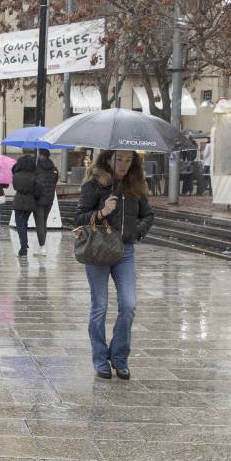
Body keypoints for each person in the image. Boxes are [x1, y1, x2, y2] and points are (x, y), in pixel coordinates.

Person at [73, 149, 154, 380]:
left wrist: (135, 232)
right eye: (119, 159)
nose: (123, 165)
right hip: (98, 249)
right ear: (109, 158)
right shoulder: (94, 184)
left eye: (129, 161)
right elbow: (78, 219)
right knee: (99, 306)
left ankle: (119, 357)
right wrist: (102, 212)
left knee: (128, 305)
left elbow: (148, 215)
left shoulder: (135, 186)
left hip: (124, 251)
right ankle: (100, 359)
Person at [11, 153, 38, 257]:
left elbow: (15, 187)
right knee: (24, 223)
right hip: (30, 202)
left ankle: (23, 247)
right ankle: (24, 244)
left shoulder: (16, 175)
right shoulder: (34, 176)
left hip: (19, 201)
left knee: (20, 225)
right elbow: (38, 189)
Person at [33, 149, 59, 248]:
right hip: (49, 199)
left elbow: (35, 183)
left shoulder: (37, 169)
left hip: (39, 200)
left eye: (39, 154)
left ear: (42, 155)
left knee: (39, 222)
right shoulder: (54, 169)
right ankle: (42, 245)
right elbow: (55, 182)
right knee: (44, 221)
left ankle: (42, 246)